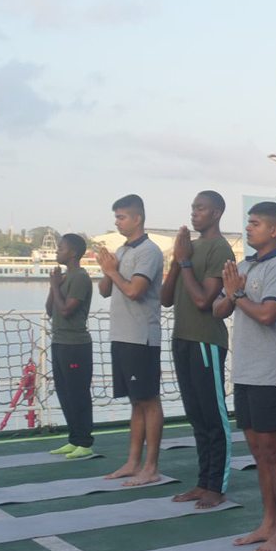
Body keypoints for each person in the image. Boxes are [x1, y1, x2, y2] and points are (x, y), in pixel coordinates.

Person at [213, 201, 276, 551]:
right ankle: (267, 522)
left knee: (275, 451)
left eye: (256, 223)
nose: (248, 228)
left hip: (272, 371)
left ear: (274, 231)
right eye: (248, 223)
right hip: (246, 371)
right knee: (257, 452)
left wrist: (236, 294)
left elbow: (267, 315)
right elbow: (218, 310)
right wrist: (230, 290)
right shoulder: (243, 267)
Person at [161, 190, 236, 506]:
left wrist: (186, 261)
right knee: (195, 415)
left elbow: (205, 300)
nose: (195, 213)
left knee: (213, 416)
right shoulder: (187, 250)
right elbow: (165, 299)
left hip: (207, 341)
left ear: (216, 213)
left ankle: (216, 486)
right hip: (183, 339)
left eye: (201, 208)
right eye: (193, 207)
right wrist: (179, 262)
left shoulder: (220, 248)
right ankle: (202, 481)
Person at [94, 194, 165, 487]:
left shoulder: (149, 251)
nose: (117, 222)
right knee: (136, 402)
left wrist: (112, 270)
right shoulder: (122, 250)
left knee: (149, 399)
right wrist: (107, 267)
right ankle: (133, 462)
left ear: (138, 218)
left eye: (121, 217)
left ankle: (151, 466)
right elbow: (105, 291)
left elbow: (135, 290)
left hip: (141, 337)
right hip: (122, 335)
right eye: (116, 217)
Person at [46, 233, 94, 459]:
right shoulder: (65, 278)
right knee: (64, 393)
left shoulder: (81, 278)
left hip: (75, 345)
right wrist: (53, 286)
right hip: (59, 342)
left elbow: (67, 310)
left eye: (61, 248)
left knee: (78, 394)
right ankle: (73, 439)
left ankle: (85, 441)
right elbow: (50, 309)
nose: (58, 252)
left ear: (73, 253)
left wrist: (56, 286)